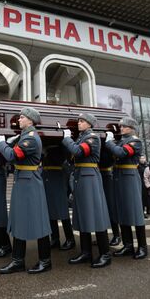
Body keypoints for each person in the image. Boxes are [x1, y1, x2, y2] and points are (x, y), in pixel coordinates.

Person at [0, 107, 52, 274]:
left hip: (30, 183)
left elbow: (12, 156)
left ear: (30, 120)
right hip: (23, 181)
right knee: (19, 220)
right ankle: (18, 260)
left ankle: (45, 260)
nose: (18, 120)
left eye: (21, 117)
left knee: (38, 220)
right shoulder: (24, 137)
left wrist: (1, 143)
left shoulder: (31, 139)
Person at [62, 113, 112, 268]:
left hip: (90, 177)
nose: (79, 123)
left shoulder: (92, 138)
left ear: (89, 124)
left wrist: (66, 138)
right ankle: (86, 252)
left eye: (82, 121)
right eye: (78, 121)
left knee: (95, 214)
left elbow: (78, 152)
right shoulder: (81, 137)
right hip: (80, 177)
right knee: (82, 214)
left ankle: (105, 254)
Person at [104, 116, 148, 259]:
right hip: (118, 177)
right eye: (120, 126)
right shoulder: (121, 141)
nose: (121, 128)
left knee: (135, 211)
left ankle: (142, 247)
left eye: (124, 126)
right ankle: (128, 245)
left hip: (129, 177)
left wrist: (109, 142)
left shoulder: (135, 141)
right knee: (122, 211)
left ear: (131, 128)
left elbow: (121, 153)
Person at [42, 145, 75, 251]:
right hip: (48, 177)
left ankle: (70, 239)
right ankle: (55, 239)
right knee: (50, 211)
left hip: (57, 178)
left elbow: (61, 159)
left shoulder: (60, 146)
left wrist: (48, 149)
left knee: (63, 212)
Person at [99, 136, 121, 246]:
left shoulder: (108, 146)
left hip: (107, 176)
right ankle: (103, 236)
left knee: (110, 207)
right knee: (100, 208)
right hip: (98, 176)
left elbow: (110, 160)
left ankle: (116, 235)